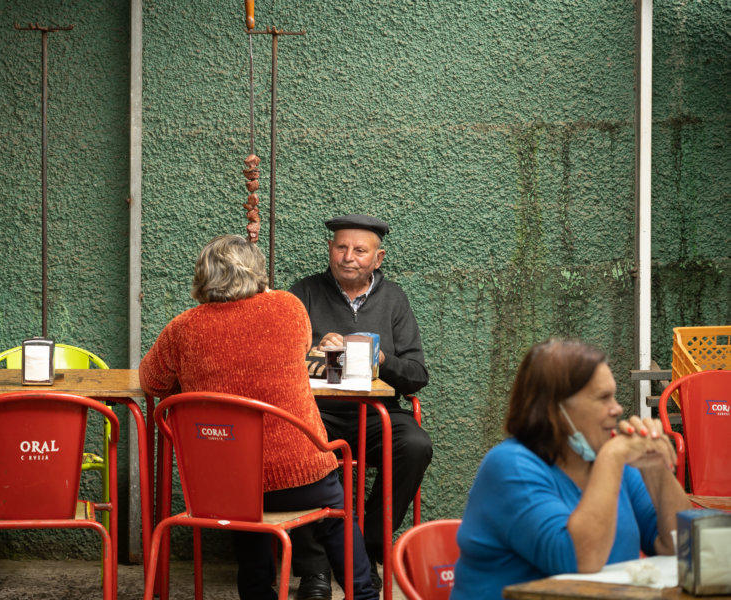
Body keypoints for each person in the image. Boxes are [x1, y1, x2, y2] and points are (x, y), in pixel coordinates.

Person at [139, 234, 378, 600]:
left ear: (203, 276)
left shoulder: (182, 328)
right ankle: (362, 594)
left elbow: (151, 381)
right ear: (256, 273)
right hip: (303, 482)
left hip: (223, 488)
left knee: (243, 500)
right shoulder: (288, 308)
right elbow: (297, 350)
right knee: (340, 514)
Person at [451, 339, 691, 600]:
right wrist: (612, 457)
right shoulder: (510, 466)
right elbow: (579, 560)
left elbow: (680, 546)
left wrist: (655, 468)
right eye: (603, 398)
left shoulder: (614, 463)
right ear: (555, 409)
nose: (618, 409)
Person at [288, 214, 432, 598]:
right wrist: (313, 353)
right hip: (318, 414)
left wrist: (380, 357)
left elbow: (417, 374)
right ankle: (314, 569)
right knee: (291, 444)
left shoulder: (394, 299)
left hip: (377, 416)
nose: (348, 257)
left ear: (378, 258)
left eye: (359, 250)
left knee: (415, 445)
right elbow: (280, 362)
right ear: (330, 250)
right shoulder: (304, 292)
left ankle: (365, 548)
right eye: (341, 247)